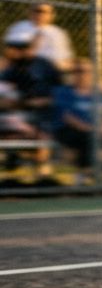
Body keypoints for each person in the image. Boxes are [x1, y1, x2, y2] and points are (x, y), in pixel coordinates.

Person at [0, 21, 63, 176]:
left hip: (45, 112)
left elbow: (60, 90)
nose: (17, 51)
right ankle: (14, 160)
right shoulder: (12, 68)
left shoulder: (45, 65)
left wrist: (48, 100)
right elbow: (6, 93)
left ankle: (42, 173)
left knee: (42, 131)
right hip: (22, 112)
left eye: (22, 47)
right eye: (15, 47)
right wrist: (19, 103)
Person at [52, 57, 102, 181]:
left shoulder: (97, 93)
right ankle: (85, 176)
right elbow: (68, 117)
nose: (82, 75)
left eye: (86, 71)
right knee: (87, 138)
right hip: (71, 130)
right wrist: (91, 129)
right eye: (77, 71)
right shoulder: (63, 92)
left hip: (97, 130)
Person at [8, 2, 73, 74]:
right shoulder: (20, 27)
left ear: (52, 15)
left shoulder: (58, 33)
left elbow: (66, 58)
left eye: (45, 12)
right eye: (37, 11)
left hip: (53, 67)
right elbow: (11, 52)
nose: (40, 14)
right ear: (30, 12)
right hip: (25, 66)